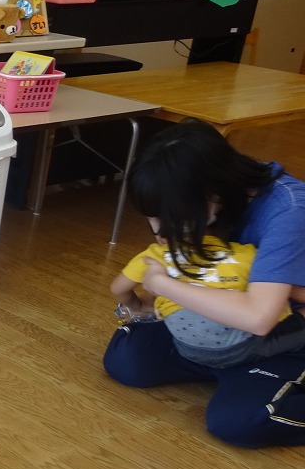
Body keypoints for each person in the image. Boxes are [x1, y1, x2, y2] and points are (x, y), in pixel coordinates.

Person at [103, 118, 305, 447]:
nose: (158, 230)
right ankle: (237, 374)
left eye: (167, 216)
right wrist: (150, 304)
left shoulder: (288, 212)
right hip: (216, 324)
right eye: (152, 216)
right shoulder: (212, 190)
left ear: (212, 199)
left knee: (239, 421)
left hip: (276, 333)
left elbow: (259, 317)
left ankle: (256, 380)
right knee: (127, 358)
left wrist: (164, 286)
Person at [111, 219, 302, 369]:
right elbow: (290, 296)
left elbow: (118, 289)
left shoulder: (155, 255)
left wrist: (139, 306)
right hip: (244, 349)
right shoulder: (248, 254)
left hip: (186, 349)